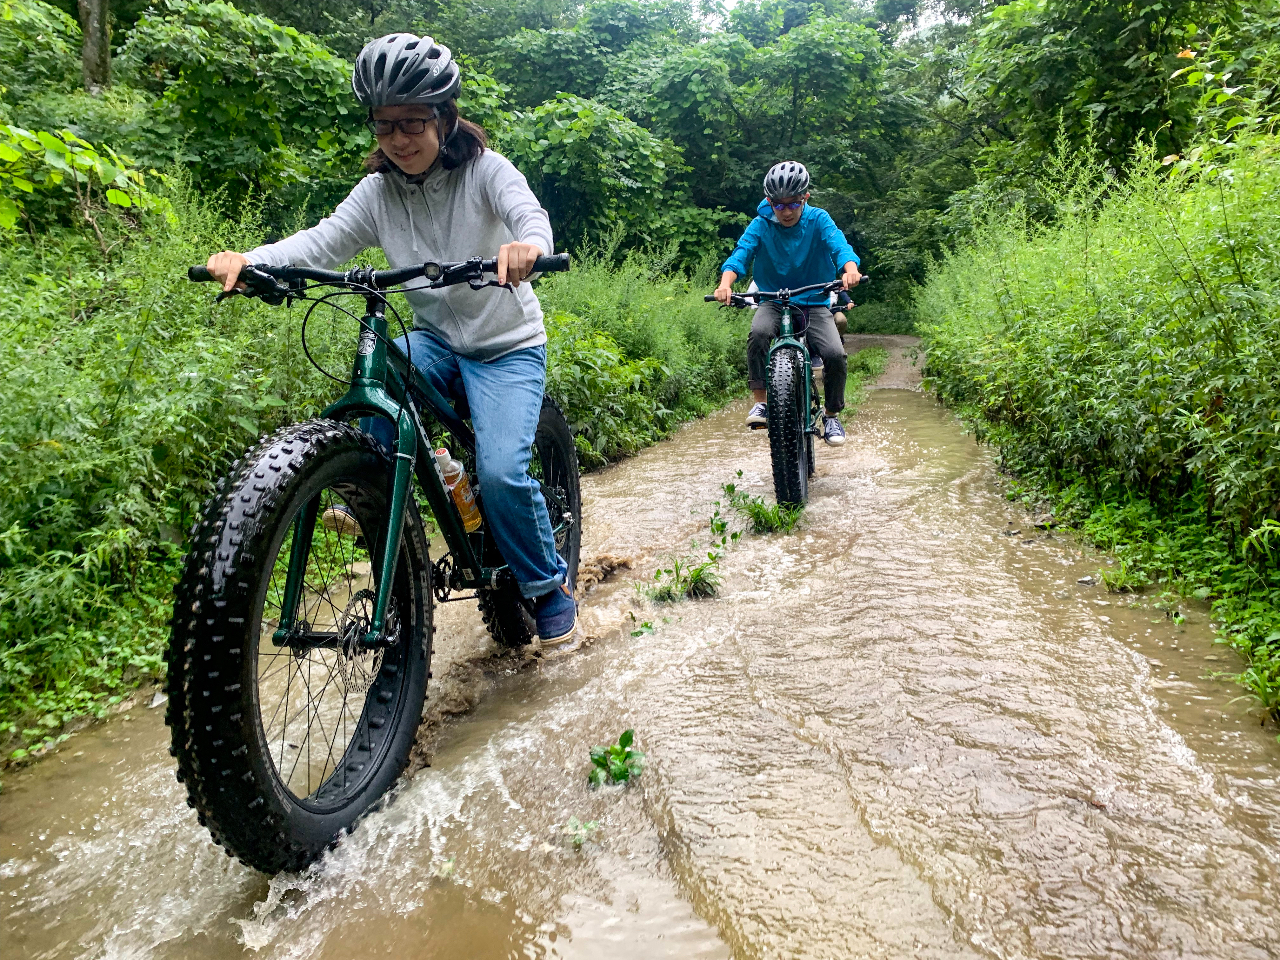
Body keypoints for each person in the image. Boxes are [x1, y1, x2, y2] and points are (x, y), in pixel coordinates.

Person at [202, 34, 578, 645]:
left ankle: (545, 585)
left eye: (413, 123)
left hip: (506, 346)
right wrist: (254, 260)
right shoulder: (378, 192)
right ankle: (376, 490)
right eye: (385, 126)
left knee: (505, 473)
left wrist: (528, 248)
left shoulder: (486, 172)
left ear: (445, 118)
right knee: (380, 375)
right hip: (433, 338)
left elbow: (528, 216)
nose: (400, 139)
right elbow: (321, 242)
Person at [714, 161, 861, 445]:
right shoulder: (760, 224)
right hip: (772, 299)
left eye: (793, 204)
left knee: (834, 354)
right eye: (778, 206)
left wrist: (850, 269)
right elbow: (741, 254)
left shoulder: (819, 219)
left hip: (813, 301)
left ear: (805, 197)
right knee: (758, 334)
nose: (786, 212)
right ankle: (761, 402)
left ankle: (831, 416)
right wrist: (725, 285)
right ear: (769, 202)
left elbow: (839, 246)